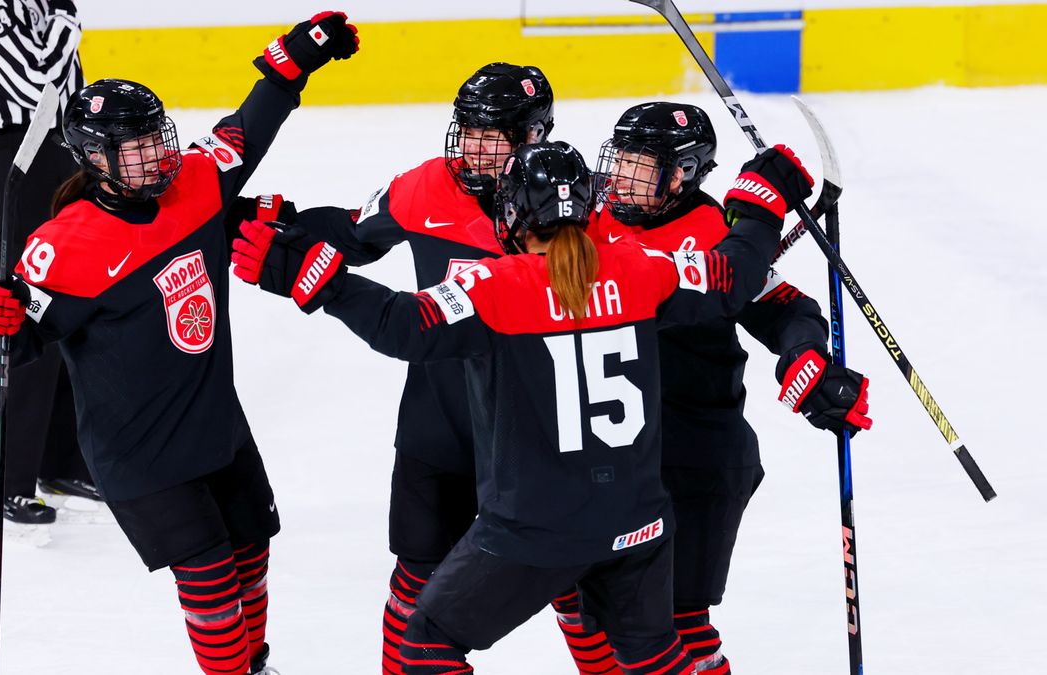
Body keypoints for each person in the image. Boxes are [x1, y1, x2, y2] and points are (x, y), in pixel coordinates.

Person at [232, 140, 868, 673]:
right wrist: (759, 203)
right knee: (655, 654)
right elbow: (733, 277)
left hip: (540, 530)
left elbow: (406, 327)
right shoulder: (642, 271)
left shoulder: (498, 285)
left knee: (424, 645)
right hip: (641, 523)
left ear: (512, 217)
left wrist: (311, 276)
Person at [0, 12, 360, 674]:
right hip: (139, 452)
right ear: (97, 161)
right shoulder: (63, 244)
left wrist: (292, 61)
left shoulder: (197, 183)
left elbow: (249, 129)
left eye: (159, 139)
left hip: (216, 425)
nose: (158, 155)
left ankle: (252, 663)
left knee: (251, 552)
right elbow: (18, 343)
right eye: (138, 148)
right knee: (209, 578)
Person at [229, 61, 557, 674]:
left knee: (578, 592)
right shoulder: (427, 185)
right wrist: (260, 217)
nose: (477, 150)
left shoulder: (564, 204)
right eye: (471, 131)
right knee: (416, 580)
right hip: (440, 423)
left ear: (535, 137)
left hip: (535, 432)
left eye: (497, 136)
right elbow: (354, 233)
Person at [585, 102, 873, 673]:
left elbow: (785, 308)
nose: (619, 174)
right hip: (610, 454)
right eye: (619, 157)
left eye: (639, 164)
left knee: (677, 620)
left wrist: (805, 356)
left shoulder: (714, 232)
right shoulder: (591, 215)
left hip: (696, 456)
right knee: (589, 605)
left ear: (681, 173)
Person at [0, 0, 97, 526]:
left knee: (63, 316)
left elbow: (70, 101)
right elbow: (34, 91)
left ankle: (58, 464)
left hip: (59, 163)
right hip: (13, 164)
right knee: (16, 316)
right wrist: (65, 25)